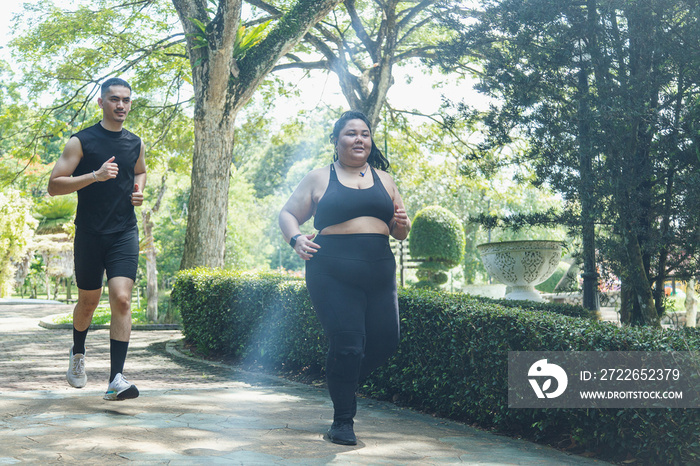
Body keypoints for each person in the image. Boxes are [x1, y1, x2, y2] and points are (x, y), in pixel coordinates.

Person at [279, 110, 411, 445]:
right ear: (336, 140)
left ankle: (341, 379)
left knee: (386, 341)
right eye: (351, 133)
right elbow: (288, 213)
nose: (359, 139)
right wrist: (296, 239)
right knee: (349, 345)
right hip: (332, 270)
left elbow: (399, 231)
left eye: (365, 134)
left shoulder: (385, 178)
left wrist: (403, 226)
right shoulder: (320, 177)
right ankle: (342, 422)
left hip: (379, 268)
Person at [48, 77, 146, 401]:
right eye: (115, 99)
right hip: (89, 234)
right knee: (88, 302)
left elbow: (140, 170)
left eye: (126, 100)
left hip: (123, 232)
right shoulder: (82, 141)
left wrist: (139, 190)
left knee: (121, 298)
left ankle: (116, 379)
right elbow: (54, 185)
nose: (121, 105)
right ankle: (78, 354)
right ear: (101, 103)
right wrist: (95, 175)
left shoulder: (135, 143)